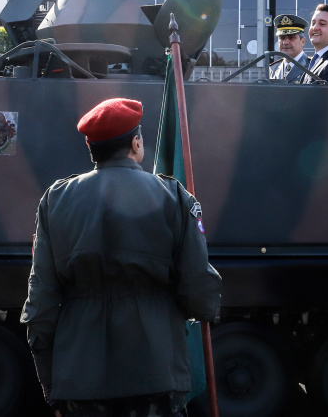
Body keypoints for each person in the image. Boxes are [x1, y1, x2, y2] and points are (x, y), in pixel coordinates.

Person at [21, 98, 221, 417]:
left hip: (80, 378)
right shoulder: (173, 196)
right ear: (136, 142)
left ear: (90, 147)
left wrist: (50, 383)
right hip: (156, 373)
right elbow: (198, 288)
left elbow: (40, 303)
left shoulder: (55, 200)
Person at [269, 14, 311, 83]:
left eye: (291, 37)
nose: (285, 42)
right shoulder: (273, 68)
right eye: (281, 38)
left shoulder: (312, 66)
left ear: (303, 41)